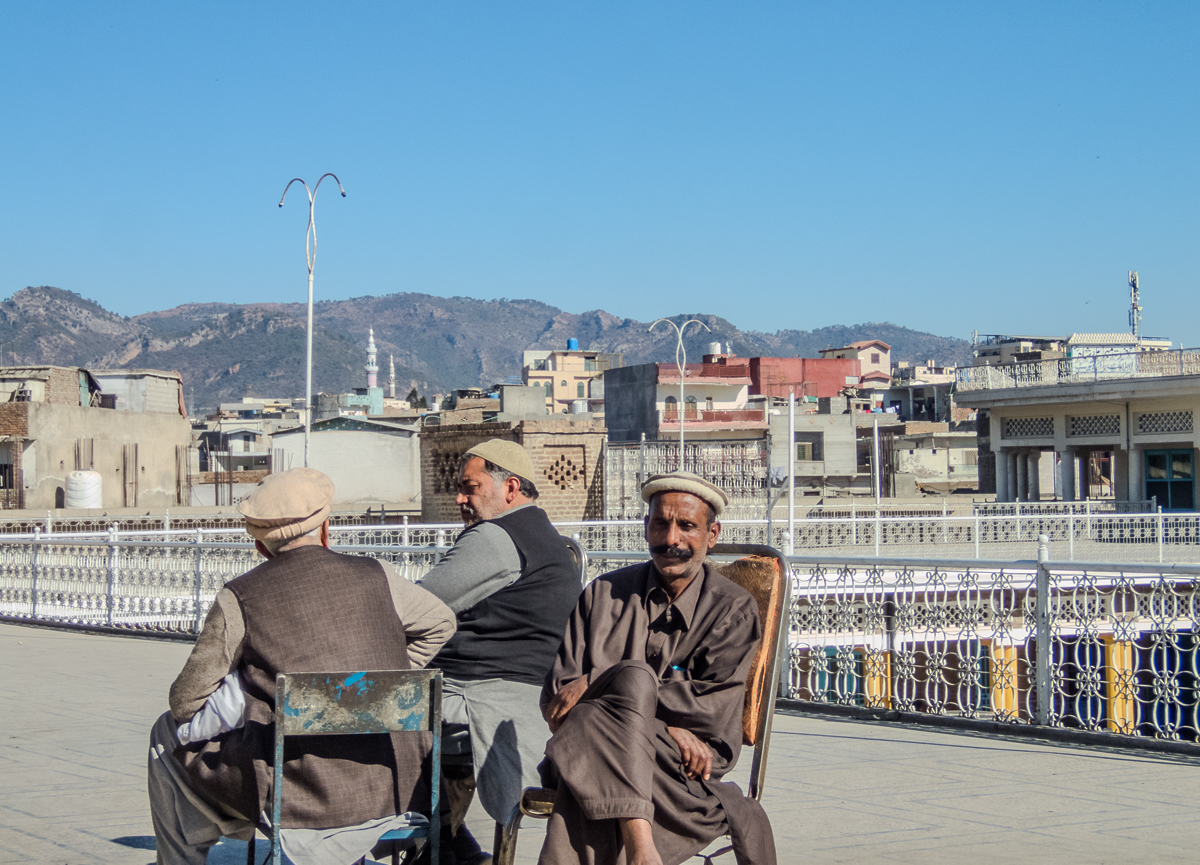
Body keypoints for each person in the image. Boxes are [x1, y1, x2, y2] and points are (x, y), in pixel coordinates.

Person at [147, 468, 457, 865]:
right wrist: (377, 682)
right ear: (326, 529)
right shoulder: (378, 575)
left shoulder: (239, 597)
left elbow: (184, 702)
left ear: (261, 545)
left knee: (165, 734)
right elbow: (441, 622)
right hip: (399, 787)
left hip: (300, 800)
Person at [537, 470, 777, 865]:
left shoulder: (731, 609)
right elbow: (559, 703)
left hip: (679, 769)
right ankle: (641, 848)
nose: (671, 540)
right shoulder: (602, 595)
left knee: (613, 696)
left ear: (711, 535)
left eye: (687, 526)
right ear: (645, 527)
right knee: (603, 707)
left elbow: (711, 712)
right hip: (587, 752)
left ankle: (638, 847)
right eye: (661, 524)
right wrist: (660, 723)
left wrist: (601, 683)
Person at [416, 439, 582, 862]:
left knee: (368, 715)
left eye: (469, 487)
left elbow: (418, 608)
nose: (459, 498)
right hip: (518, 697)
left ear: (509, 488)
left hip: (484, 697)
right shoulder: (545, 537)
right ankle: (444, 846)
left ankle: (438, 845)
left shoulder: (496, 537)